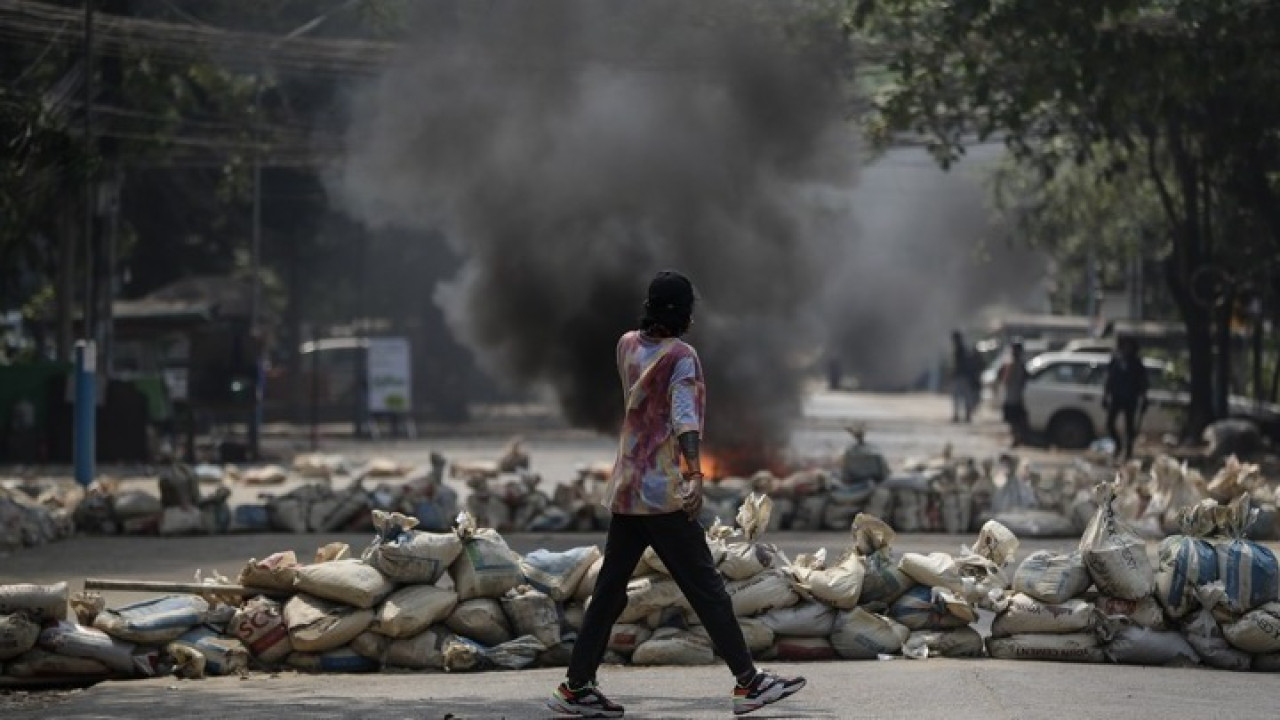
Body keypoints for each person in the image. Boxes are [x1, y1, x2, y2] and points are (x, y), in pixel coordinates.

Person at [548, 270, 806, 718]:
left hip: (628, 486)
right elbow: (684, 418)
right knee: (706, 587)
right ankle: (749, 683)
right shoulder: (682, 357)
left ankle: (576, 686)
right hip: (663, 493)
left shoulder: (626, 344)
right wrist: (693, 475)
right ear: (684, 312)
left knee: (609, 590)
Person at [1103, 337, 1149, 460]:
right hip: (1116, 397)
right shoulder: (1116, 360)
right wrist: (1105, 395)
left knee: (1130, 426)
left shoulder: (1137, 363)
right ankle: (1118, 445)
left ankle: (1128, 450)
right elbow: (1109, 379)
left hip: (1131, 397)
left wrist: (1144, 397)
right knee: (1109, 424)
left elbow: (1143, 382)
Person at [998, 340, 1030, 447]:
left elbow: (1005, 379)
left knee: (1014, 420)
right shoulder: (1014, 363)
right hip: (1013, 395)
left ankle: (1018, 438)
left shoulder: (1017, 364)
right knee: (1014, 420)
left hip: (1014, 396)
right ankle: (1017, 437)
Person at [950, 331, 979, 422]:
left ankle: (964, 415)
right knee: (962, 397)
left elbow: (960, 365)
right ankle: (963, 415)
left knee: (961, 397)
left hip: (962, 377)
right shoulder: (961, 349)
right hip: (962, 377)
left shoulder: (960, 350)